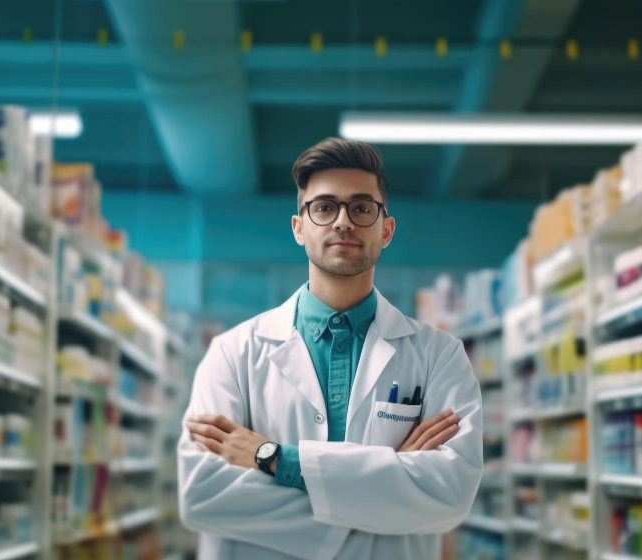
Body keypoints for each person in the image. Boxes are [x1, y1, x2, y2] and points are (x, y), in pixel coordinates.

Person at [179, 138, 483, 560]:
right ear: (299, 228)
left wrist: (274, 459)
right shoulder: (232, 354)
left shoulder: (439, 356)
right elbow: (203, 495)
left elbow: (450, 493)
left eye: (362, 208)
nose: (343, 222)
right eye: (324, 208)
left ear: (386, 229)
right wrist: (383, 490)